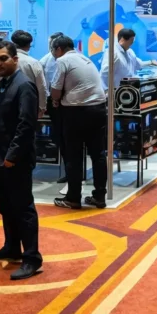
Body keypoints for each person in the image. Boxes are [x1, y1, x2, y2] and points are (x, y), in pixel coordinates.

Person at [0, 40, 43, 280]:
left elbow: (26, 125)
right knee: (6, 205)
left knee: (22, 208)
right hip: (1, 155)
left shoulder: (24, 86)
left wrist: (12, 156)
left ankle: (32, 258)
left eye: (3, 58)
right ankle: (11, 247)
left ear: (15, 59)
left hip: (15, 159)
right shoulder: (3, 84)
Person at [49, 35, 107, 210]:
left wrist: (55, 101)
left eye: (53, 50)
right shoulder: (84, 58)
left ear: (59, 49)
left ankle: (73, 198)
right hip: (99, 109)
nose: (53, 54)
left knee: (73, 156)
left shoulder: (62, 61)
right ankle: (99, 197)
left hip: (76, 112)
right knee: (98, 155)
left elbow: (55, 91)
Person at [0, 30, 46, 116]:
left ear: (12, 44)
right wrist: (42, 107)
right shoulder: (34, 63)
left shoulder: (0, 61)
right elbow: (41, 87)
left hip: (4, 107)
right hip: (29, 106)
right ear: (29, 46)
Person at [39, 32, 66, 183]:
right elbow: (42, 86)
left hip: (69, 102)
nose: (52, 48)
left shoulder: (69, 60)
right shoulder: (44, 62)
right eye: (50, 45)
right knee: (59, 136)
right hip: (53, 103)